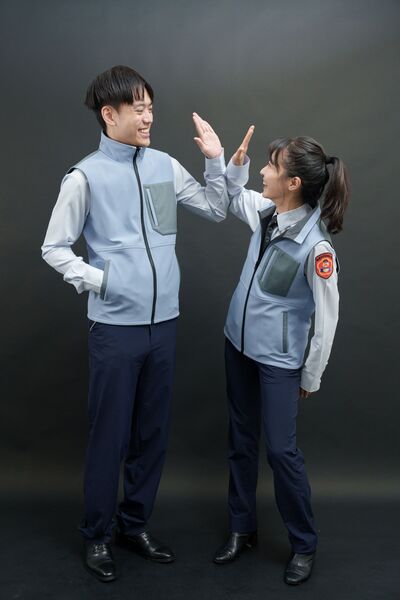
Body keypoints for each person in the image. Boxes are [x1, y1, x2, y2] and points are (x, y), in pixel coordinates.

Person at [41, 65, 228, 582]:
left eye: (150, 108)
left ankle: (135, 524)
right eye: (139, 108)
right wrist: (102, 281)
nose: (149, 117)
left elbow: (216, 208)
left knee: (152, 433)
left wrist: (215, 162)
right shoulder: (84, 177)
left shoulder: (164, 165)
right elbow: (54, 247)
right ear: (110, 114)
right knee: (110, 436)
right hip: (115, 329)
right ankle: (98, 535)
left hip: (164, 324)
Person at [213, 126, 349, 586]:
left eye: (270, 167)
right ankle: (241, 528)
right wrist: (230, 162)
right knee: (241, 440)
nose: (263, 173)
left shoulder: (317, 247)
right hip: (238, 346)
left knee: (280, 450)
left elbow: (327, 320)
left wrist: (310, 375)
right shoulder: (267, 212)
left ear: (293, 183)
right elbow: (233, 196)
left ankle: (304, 544)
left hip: (279, 362)